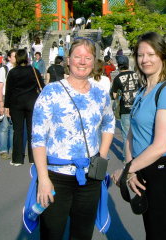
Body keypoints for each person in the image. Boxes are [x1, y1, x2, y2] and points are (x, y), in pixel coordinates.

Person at [31, 38, 115, 240]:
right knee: (52, 232)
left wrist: (100, 157)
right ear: (68, 60)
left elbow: (109, 124)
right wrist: (43, 178)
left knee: (83, 233)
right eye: (77, 57)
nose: (82, 62)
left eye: (88, 57)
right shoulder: (51, 91)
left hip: (90, 177)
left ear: (94, 62)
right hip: (56, 176)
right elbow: (38, 137)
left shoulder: (101, 93)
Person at [112, 32, 166, 240]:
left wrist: (128, 168)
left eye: (151, 54)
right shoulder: (142, 92)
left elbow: (161, 145)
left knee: (165, 233)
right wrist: (131, 170)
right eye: (140, 54)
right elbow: (130, 134)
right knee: (152, 232)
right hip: (143, 171)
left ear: (163, 56)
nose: (145, 59)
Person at [5, 49, 45, 166]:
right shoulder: (34, 70)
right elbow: (42, 86)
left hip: (16, 103)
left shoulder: (12, 72)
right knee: (32, 131)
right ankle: (33, 157)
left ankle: (17, 158)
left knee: (18, 131)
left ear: (17, 58)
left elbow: (9, 90)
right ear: (27, 58)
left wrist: (6, 105)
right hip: (32, 102)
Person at [111, 55, 140, 160]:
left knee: (127, 135)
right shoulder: (136, 75)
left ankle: (126, 157)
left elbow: (114, 95)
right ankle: (138, 154)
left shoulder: (118, 78)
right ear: (128, 64)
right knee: (138, 132)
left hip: (126, 109)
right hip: (138, 108)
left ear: (118, 66)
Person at [0, 49, 17, 160]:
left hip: (16, 99)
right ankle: (3, 149)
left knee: (14, 126)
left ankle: (14, 149)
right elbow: (0, 88)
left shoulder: (18, 69)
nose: (16, 58)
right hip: (5, 98)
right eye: (14, 56)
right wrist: (1, 104)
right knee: (4, 126)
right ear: (9, 57)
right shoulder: (4, 69)